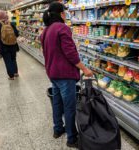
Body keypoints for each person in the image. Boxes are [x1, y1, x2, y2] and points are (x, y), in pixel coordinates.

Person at [41, 2, 93, 148]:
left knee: (57, 103)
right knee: (69, 107)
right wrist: (85, 69)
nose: (66, 14)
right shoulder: (62, 28)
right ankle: (72, 138)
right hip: (65, 74)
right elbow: (70, 53)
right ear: (61, 14)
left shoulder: (46, 30)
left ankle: (57, 130)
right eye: (65, 12)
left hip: (52, 73)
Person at [0, 11, 19, 80]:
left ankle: (11, 76)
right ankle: (16, 73)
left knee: (7, 61)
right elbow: (17, 34)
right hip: (13, 45)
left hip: (3, 46)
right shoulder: (11, 23)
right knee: (13, 59)